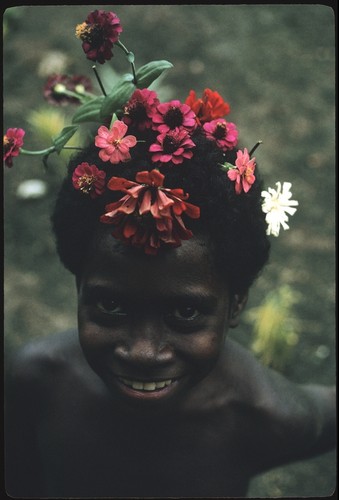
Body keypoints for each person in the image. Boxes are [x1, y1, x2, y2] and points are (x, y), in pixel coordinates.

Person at [4, 8, 336, 498]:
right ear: (78, 284)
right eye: (112, 306)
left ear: (237, 301)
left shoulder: (268, 418)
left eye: (184, 311)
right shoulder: (33, 383)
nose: (142, 351)